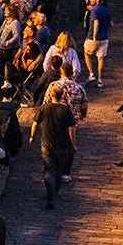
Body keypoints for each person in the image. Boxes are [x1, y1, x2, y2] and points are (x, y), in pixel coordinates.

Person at [35, 81, 78, 209]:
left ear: (51, 95)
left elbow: (35, 123)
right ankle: (54, 192)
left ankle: (50, 194)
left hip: (46, 143)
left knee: (49, 169)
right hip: (62, 144)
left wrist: (32, 136)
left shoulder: (44, 108)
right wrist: (73, 144)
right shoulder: (65, 110)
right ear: (62, 95)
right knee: (59, 169)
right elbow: (71, 129)